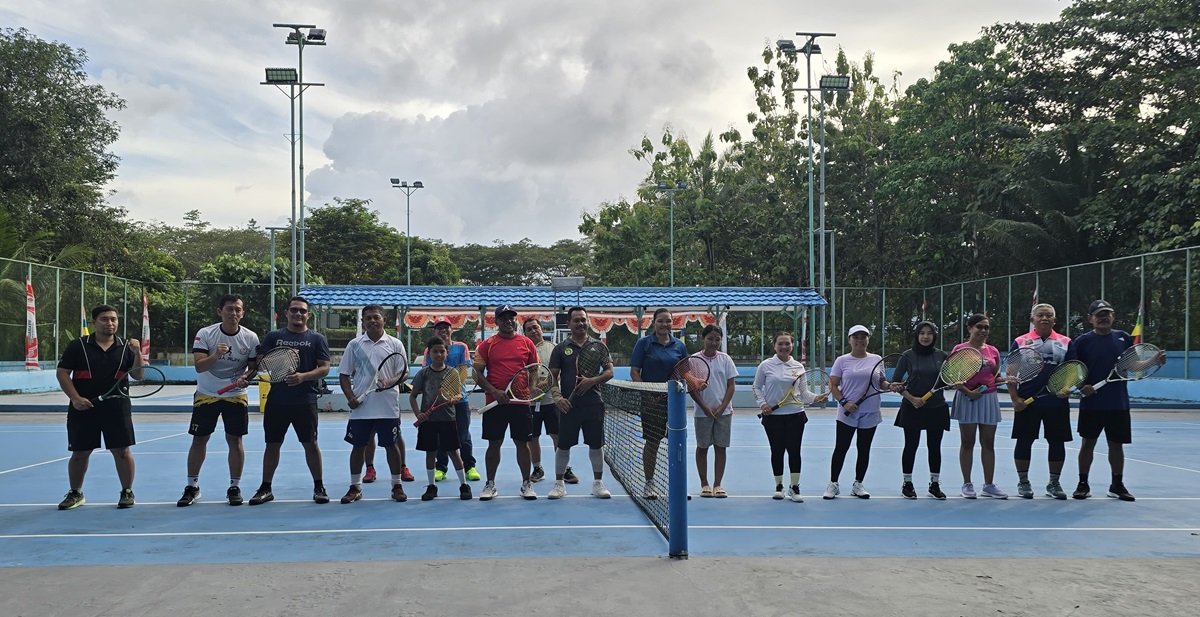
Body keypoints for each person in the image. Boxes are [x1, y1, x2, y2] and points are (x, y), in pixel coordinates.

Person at [1065, 300, 1165, 502]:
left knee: (1116, 445)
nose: (1103, 317)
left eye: (1107, 313)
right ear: (1090, 318)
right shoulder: (1081, 342)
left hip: (1117, 403)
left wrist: (1153, 360)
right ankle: (1083, 484)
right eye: (1099, 314)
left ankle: (1117, 484)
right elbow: (1072, 369)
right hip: (1092, 404)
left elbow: (1134, 366)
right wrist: (1081, 386)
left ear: (1113, 316)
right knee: (1087, 444)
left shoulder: (1124, 338)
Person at [55, 304, 144, 510]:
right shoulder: (78, 346)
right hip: (83, 408)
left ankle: (127, 491)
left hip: (117, 408)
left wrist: (137, 351)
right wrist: (75, 398)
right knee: (79, 453)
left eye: (113, 319)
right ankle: (76, 493)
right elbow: (62, 372)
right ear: (94, 322)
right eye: (104, 319)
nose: (110, 323)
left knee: (122, 451)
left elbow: (138, 375)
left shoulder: (126, 347)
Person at [248, 296, 332, 505]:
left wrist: (303, 376)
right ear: (286, 313)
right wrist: (281, 360)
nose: (298, 314)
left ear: (308, 315)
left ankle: (319, 487)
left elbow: (324, 367)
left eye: (302, 311)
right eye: (294, 310)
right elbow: (261, 363)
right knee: (272, 445)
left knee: (311, 444)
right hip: (277, 401)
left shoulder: (316, 339)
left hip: (305, 401)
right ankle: (265, 488)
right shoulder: (273, 336)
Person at [178, 294, 260, 507]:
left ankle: (234, 487)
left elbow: (252, 368)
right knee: (199, 440)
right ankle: (192, 487)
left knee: (235, 441)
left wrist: (246, 378)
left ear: (242, 313)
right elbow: (199, 366)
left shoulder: (251, 338)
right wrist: (215, 355)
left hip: (235, 396)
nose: (234, 313)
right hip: (206, 395)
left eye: (238, 310)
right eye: (230, 309)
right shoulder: (206, 334)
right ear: (220, 311)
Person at [336, 305, 410, 504]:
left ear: (383, 319)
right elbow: (343, 375)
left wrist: (390, 381)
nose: (372, 321)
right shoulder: (354, 345)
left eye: (376, 317)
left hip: (387, 408)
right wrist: (350, 396)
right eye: (367, 318)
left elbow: (404, 373)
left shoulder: (395, 344)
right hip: (361, 409)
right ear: (363, 322)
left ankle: (396, 485)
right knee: (358, 447)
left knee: (391, 446)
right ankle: (355, 487)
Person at [473, 304, 541, 501]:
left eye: (511, 317)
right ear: (497, 321)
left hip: (520, 403)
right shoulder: (487, 345)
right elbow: (476, 373)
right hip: (496, 403)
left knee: (522, 443)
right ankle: (490, 484)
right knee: (494, 444)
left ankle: (526, 483)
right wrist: (494, 391)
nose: (508, 321)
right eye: (503, 318)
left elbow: (534, 370)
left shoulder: (527, 343)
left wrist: (532, 388)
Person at [546, 306, 614, 499]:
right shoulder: (560, 348)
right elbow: (552, 377)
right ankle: (559, 484)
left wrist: (592, 381)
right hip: (569, 406)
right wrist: (558, 398)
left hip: (594, 404)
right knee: (564, 446)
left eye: (583, 319)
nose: (580, 323)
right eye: (576, 320)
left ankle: (598, 484)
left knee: (596, 445)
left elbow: (609, 372)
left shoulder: (598, 346)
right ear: (568, 324)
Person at [1008, 304, 1073, 500]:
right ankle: (1023, 482)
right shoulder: (1021, 341)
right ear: (1032, 319)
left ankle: (1054, 483)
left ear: (1054, 320)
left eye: (1049, 315)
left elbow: (1072, 370)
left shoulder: (1066, 342)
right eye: (1040, 315)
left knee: (1057, 442)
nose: (1044, 318)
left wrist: (1067, 387)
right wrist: (1014, 398)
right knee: (1024, 440)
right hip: (1027, 402)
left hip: (1057, 402)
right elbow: (1011, 372)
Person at [754, 331, 824, 502]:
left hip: (796, 416)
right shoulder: (765, 365)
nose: (784, 347)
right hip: (773, 418)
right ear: (774, 345)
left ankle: (795, 487)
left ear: (793, 345)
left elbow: (804, 394)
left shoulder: (798, 367)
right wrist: (762, 404)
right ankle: (779, 486)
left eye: (787, 343)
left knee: (794, 451)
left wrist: (816, 398)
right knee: (776, 451)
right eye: (780, 343)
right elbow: (756, 387)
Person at [629, 307, 689, 498]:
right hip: (651, 404)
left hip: (674, 404)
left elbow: (685, 372)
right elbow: (635, 372)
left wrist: (696, 383)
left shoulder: (679, 346)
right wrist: (646, 392)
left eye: (668, 321)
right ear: (654, 323)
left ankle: (678, 486)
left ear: (673, 323)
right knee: (652, 443)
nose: (665, 324)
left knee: (677, 444)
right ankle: (649, 484)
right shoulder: (644, 344)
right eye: (661, 321)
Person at [825, 325, 886, 500]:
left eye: (863, 337)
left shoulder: (876, 359)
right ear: (849, 339)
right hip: (847, 413)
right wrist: (844, 402)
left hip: (870, 411)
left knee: (864, 449)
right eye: (856, 337)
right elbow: (833, 385)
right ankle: (833, 484)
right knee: (841, 448)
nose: (860, 340)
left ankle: (858, 484)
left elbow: (881, 382)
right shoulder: (842, 361)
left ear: (868, 339)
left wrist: (891, 386)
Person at [950, 313, 1007, 499]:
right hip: (967, 398)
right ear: (970, 329)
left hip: (988, 399)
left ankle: (989, 485)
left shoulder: (993, 351)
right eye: (979, 327)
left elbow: (995, 376)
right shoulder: (959, 349)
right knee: (967, 442)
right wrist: (968, 392)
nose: (983, 330)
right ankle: (967, 484)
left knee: (988, 443)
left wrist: (1005, 380)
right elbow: (951, 377)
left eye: (986, 327)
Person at [892, 321, 951, 500]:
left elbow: (946, 381)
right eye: (922, 333)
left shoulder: (942, 355)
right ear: (917, 336)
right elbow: (896, 382)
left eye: (929, 333)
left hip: (937, 408)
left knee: (935, 447)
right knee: (911, 446)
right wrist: (912, 399)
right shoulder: (907, 355)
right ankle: (907, 484)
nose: (925, 336)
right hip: (912, 408)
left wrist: (951, 383)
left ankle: (934, 484)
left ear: (934, 336)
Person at [410, 337, 472, 501]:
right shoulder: (423, 373)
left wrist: (455, 399)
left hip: (448, 419)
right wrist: (418, 414)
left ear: (447, 353)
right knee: (431, 453)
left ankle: (464, 485)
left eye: (442, 351)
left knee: (453, 452)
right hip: (428, 422)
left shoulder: (452, 373)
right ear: (429, 353)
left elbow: (458, 393)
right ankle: (431, 486)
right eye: (435, 351)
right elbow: (413, 396)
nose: (439, 354)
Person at [524, 317, 577, 484]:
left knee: (558, 436)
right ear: (524, 332)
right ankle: (537, 468)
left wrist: (546, 385)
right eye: (529, 329)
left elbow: (558, 371)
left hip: (552, 401)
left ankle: (565, 469)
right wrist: (532, 388)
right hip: (531, 403)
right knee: (533, 438)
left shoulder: (554, 348)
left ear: (541, 329)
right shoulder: (523, 349)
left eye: (535, 328)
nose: (533, 331)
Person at [428, 319, 480, 483]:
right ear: (434, 332)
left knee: (463, 436)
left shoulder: (462, 347)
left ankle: (469, 467)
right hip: (439, 402)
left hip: (460, 400)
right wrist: (441, 394)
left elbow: (464, 372)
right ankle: (441, 468)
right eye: (439, 328)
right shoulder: (429, 350)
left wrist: (453, 392)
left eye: (446, 328)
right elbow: (428, 373)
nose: (443, 330)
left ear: (451, 330)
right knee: (441, 436)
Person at [692, 325, 738, 498]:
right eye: (710, 339)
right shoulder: (694, 360)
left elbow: (731, 386)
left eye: (717, 339)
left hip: (723, 413)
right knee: (702, 447)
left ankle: (718, 485)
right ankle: (704, 484)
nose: (714, 342)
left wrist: (721, 407)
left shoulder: (726, 359)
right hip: (702, 413)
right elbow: (692, 389)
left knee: (721, 448)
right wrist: (705, 407)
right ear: (703, 339)